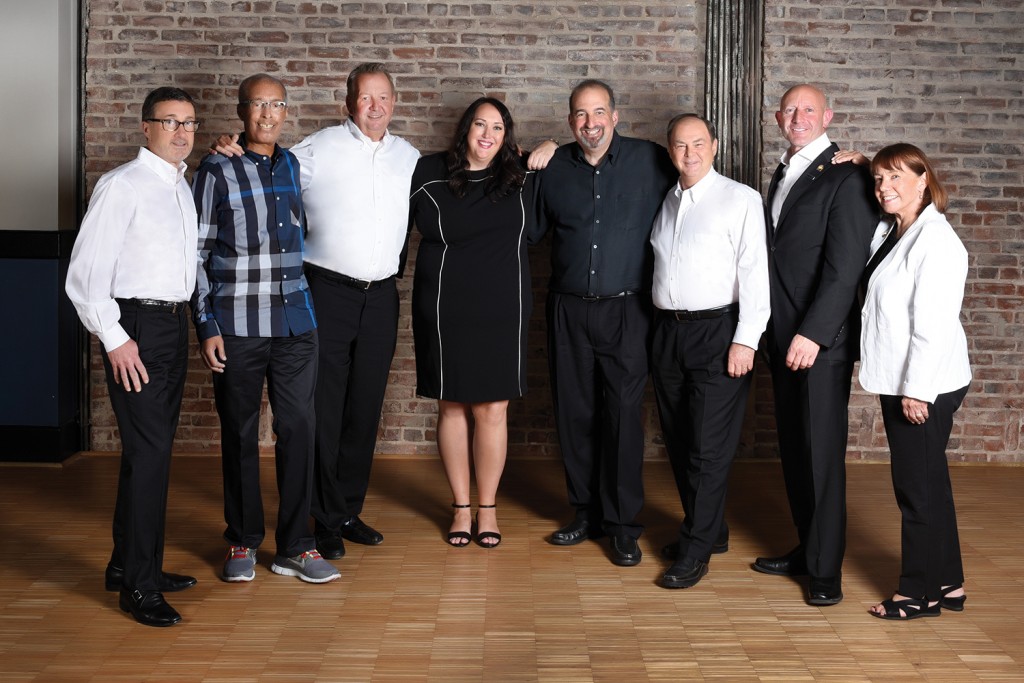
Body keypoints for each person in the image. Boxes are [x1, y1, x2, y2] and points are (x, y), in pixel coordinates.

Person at [214, 64, 420, 559]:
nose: (375, 106)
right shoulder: (315, 150)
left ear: (394, 102)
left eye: (384, 97)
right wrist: (230, 146)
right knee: (322, 407)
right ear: (349, 102)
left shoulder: (409, 157)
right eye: (365, 98)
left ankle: (347, 509)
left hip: (383, 295)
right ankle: (322, 516)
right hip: (326, 290)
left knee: (366, 405)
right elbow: (262, 170)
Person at [192, 74, 339, 584]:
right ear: (242, 110)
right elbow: (197, 252)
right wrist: (206, 322)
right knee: (239, 432)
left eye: (277, 104)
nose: (269, 114)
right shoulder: (216, 168)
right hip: (236, 324)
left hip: (297, 321)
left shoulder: (293, 163)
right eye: (259, 105)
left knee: (299, 427)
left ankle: (297, 546)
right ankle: (241, 540)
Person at [66, 86, 200, 626]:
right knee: (151, 456)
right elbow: (85, 277)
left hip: (173, 324)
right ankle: (139, 590)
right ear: (146, 128)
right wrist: (116, 338)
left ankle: (129, 564)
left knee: (149, 453)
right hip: (135, 328)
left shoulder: (180, 185)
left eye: (188, 121)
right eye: (169, 121)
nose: (181, 131)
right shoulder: (121, 186)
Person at [530, 80, 677, 566]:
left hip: (628, 310)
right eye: (579, 115)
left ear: (615, 116)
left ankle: (621, 525)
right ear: (570, 121)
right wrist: (531, 161)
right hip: (568, 308)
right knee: (574, 414)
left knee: (622, 418)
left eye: (598, 113)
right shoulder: (552, 170)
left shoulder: (653, 161)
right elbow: (528, 231)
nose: (589, 123)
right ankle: (584, 512)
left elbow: (703, 183)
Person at [755, 84, 877, 606]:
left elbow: (845, 267)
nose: (798, 117)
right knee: (796, 450)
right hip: (782, 337)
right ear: (779, 118)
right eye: (791, 110)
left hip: (818, 342)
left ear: (827, 116)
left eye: (809, 109)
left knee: (821, 455)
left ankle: (826, 572)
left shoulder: (848, 176)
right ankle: (808, 548)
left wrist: (814, 332)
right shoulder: (783, 172)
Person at [649, 114, 769, 588]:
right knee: (679, 441)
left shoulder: (740, 199)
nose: (689, 153)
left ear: (714, 146)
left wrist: (746, 339)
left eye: (698, 143)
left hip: (718, 333)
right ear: (670, 150)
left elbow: (755, 273)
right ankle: (711, 529)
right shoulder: (667, 200)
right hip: (667, 334)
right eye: (680, 145)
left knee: (707, 449)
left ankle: (696, 551)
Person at [408, 97, 535, 548]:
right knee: (452, 406)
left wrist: (553, 148)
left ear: (506, 137)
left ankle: (488, 508)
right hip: (444, 306)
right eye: (480, 124)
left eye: (497, 128)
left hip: (503, 309)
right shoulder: (427, 171)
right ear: (465, 129)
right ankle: (461, 507)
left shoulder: (523, 177)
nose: (487, 134)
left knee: (492, 409)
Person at [855, 144, 971, 619]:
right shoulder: (894, 230)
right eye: (880, 180)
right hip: (905, 376)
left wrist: (917, 392)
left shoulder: (937, 242)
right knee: (931, 483)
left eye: (897, 178)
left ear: (924, 180)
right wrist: (867, 164)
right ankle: (949, 581)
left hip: (925, 383)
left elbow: (933, 325)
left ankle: (917, 594)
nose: (885, 188)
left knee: (915, 490)